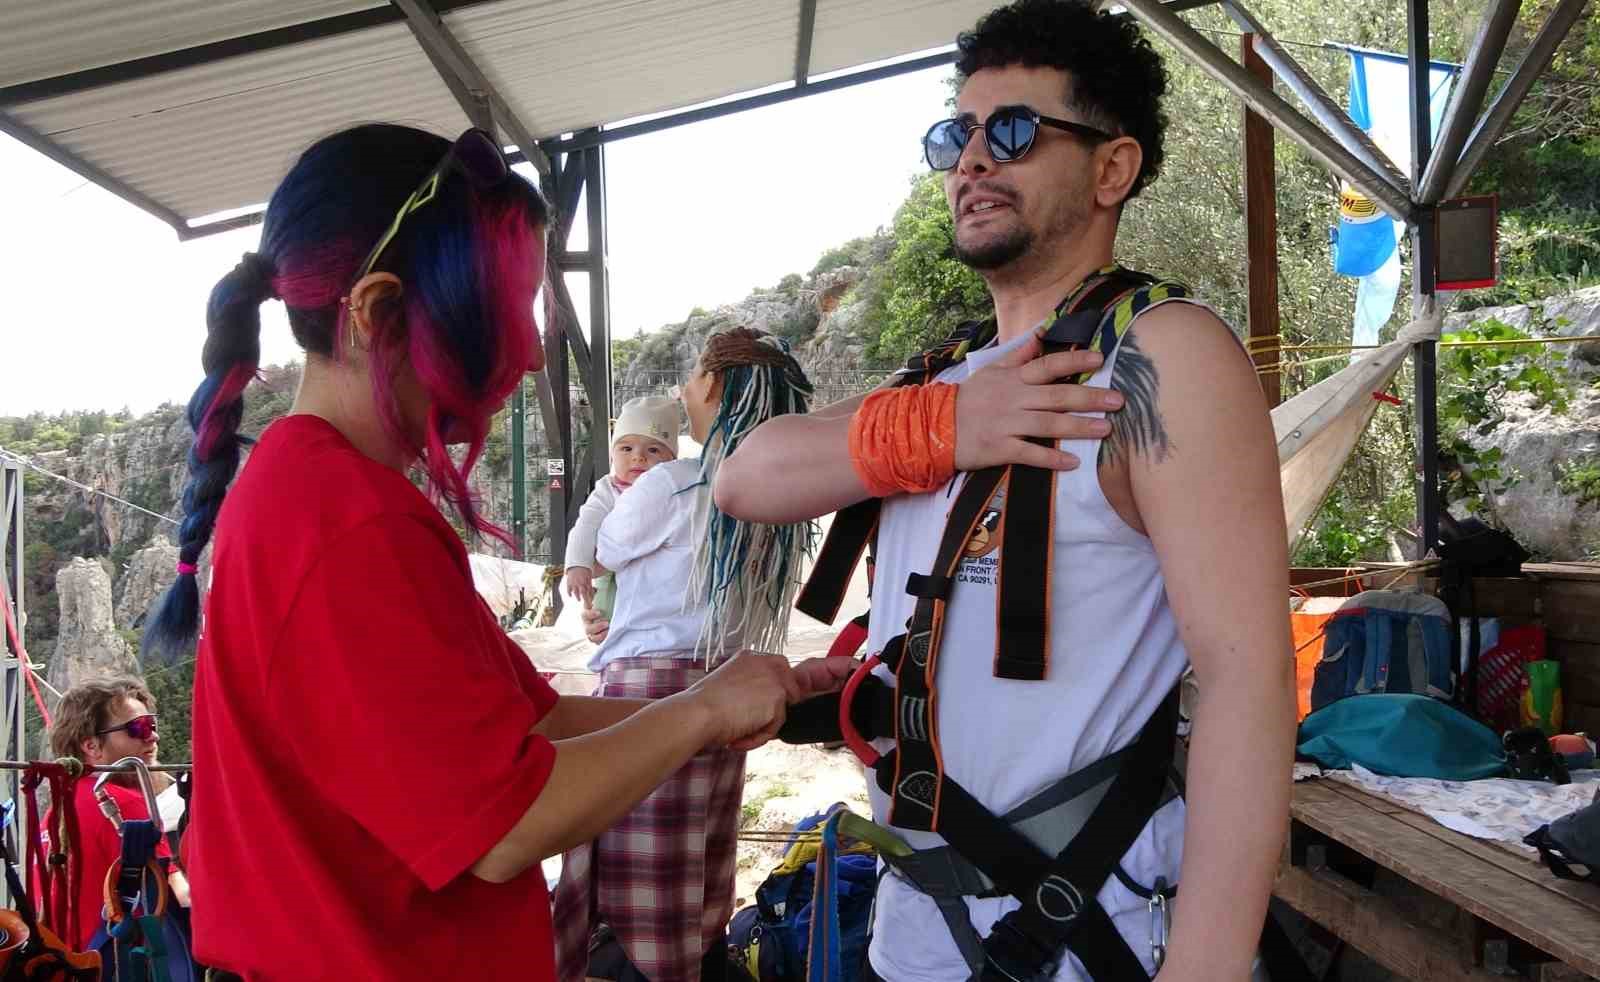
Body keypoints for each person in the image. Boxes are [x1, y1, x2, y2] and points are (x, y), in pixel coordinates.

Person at [140, 124, 849, 981]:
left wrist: (752, 699)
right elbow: (506, 826)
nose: (526, 351)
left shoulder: (316, 489)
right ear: (378, 312)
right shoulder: (345, 520)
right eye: (502, 310)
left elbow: (536, 726)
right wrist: (700, 712)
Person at [714, 2, 1296, 980]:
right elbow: (745, 477)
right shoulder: (943, 385)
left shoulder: (1162, 355)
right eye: (957, 135)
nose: (973, 160)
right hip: (912, 932)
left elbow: (1249, 681)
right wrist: (948, 425)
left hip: (1087, 936)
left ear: (1112, 168)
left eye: (1015, 131)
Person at [555, 328, 817, 982]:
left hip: (648, 687)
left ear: (717, 388)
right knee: (697, 859)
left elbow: (607, 549)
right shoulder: (780, 494)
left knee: (634, 870)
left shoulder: (673, 482)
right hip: (727, 687)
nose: (684, 390)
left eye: (695, 378)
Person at [43, 677, 182, 952]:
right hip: (114, 961)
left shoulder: (58, 808)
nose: (153, 736)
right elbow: (173, 894)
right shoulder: (122, 805)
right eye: (138, 728)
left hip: (65, 961)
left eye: (152, 725)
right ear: (91, 746)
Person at [562, 394, 681, 617]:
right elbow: (586, 525)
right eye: (626, 448)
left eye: (653, 450)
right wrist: (578, 564)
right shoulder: (607, 490)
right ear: (612, 456)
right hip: (613, 582)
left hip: (659, 586)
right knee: (605, 615)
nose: (638, 457)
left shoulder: (676, 493)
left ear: (672, 460)